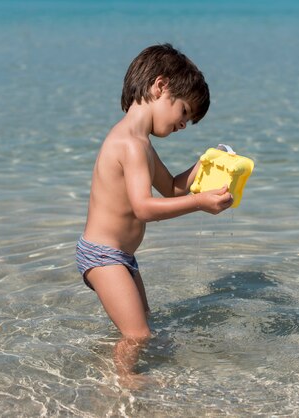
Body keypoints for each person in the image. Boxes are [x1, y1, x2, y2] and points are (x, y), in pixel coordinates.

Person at [76, 43, 233, 386]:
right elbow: (143, 208)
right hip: (102, 256)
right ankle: (121, 386)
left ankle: (120, 373)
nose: (184, 124)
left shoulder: (141, 143)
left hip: (121, 257)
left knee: (146, 326)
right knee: (138, 335)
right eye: (184, 111)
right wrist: (200, 203)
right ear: (160, 87)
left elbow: (172, 189)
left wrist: (203, 166)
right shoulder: (130, 144)